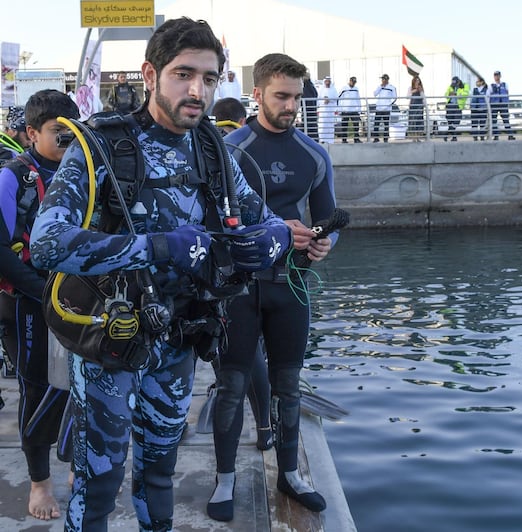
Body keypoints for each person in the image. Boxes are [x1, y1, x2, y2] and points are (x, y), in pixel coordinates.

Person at [29, 17, 291, 531]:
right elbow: (46, 244)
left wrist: (274, 240)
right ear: (150, 74)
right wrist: (156, 247)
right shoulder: (100, 148)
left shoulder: (214, 150)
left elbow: (269, 220)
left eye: (210, 78)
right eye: (183, 74)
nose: (198, 90)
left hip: (178, 340)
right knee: (98, 480)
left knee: (160, 475)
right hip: (110, 341)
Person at [208, 51, 338, 520]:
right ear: (257, 93)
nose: (291, 106)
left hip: (292, 285)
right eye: (281, 96)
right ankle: (225, 478)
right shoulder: (230, 150)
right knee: (231, 384)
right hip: (239, 287)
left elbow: (328, 219)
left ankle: (289, 473)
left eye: (297, 98)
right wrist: (273, 228)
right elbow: (211, 220)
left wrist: (325, 242)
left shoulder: (314, 154)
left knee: (288, 385)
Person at [0, 89, 79, 521]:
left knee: (85, 387)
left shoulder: (85, 171)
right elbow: (1, 251)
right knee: (38, 389)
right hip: (29, 303)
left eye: (74, 134)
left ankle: (75, 465)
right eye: (58, 135)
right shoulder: (14, 177)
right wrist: (42, 291)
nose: (69, 143)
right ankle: (40, 481)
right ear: (31, 133)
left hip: (80, 301)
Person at [489, 70, 515, 141]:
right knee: (494, 121)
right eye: (495, 75)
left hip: (503, 104)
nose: (496, 77)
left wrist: (506, 102)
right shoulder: (491, 85)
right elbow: (488, 95)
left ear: (500, 76)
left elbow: (507, 93)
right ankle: (496, 136)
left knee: (506, 120)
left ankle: (510, 135)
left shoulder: (504, 84)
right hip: (494, 104)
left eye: (497, 75)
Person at [337, 76, 362, 143]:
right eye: (352, 82)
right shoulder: (344, 89)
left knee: (356, 125)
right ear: (350, 81)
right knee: (345, 126)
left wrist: (359, 109)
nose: (353, 83)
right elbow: (339, 99)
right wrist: (339, 110)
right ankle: (344, 139)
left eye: (354, 82)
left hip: (354, 110)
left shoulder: (356, 89)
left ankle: (356, 139)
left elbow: (358, 99)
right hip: (345, 110)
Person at [373, 74, 397, 143]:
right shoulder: (379, 86)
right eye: (382, 79)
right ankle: (376, 138)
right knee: (376, 124)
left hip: (387, 109)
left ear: (386, 80)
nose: (382, 80)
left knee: (386, 124)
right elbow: (375, 94)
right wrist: (380, 87)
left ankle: (385, 138)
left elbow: (394, 97)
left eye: (383, 79)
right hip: (379, 108)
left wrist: (388, 104)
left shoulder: (392, 87)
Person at [317, 76, 338, 144]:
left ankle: (330, 140)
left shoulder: (333, 89)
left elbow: (336, 99)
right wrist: (324, 101)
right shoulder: (321, 89)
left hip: (330, 110)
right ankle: (322, 139)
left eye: (329, 81)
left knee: (330, 125)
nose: (327, 83)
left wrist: (330, 100)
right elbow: (318, 100)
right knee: (322, 125)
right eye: (326, 81)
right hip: (323, 110)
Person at [407, 76, 426, 141]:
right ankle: (413, 137)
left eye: (418, 80)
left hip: (419, 106)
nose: (417, 82)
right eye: (416, 80)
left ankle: (418, 137)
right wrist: (415, 90)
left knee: (419, 121)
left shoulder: (421, 88)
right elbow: (407, 96)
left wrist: (420, 91)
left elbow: (423, 97)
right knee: (413, 121)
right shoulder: (410, 88)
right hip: (413, 106)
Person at [301, 71, 319, 141]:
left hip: (309, 111)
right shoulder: (310, 86)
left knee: (309, 126)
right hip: (310, 110)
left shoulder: (307, 86)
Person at [470, 76, 488, 141]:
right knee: (474, 123)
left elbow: (488, 99)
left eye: (478, 81)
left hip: (482, 109)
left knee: (482, 123)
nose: (476, 83)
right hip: (474, 109)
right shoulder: (474, 89)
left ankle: (482, 136)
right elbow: (471, 98)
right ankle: (475, 137)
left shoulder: (486, 90)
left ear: (482, 82)